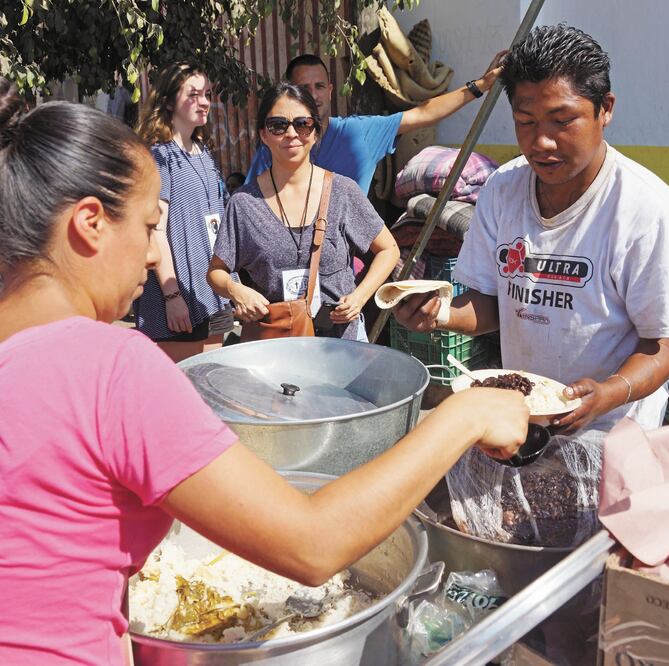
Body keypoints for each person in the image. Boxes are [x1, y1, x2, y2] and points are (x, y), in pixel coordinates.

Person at [0, 81, 529, 665]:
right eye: (151, 227)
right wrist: (467, 413)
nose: (155, 256)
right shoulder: (109, 366)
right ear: (91, 223)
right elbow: (313, 544)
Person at [395, 25, 669, 434]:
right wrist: (437, 312)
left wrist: (608, 393)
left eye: (562, 120)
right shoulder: (502, 189)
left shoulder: (646, 208)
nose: (542, 143)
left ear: (604, 109)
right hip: (526, 416)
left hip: (612, 429)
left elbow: (663, 346)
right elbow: (492, 305)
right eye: (525, 121)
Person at [208, 83, 401, 341]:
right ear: (264, 134)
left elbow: (389, 250)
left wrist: (359, 297)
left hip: (341, 341)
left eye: (302, 124)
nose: (291, 133)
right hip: (276, 344)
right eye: (278, 125)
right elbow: (216, 271)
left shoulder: (342, 192)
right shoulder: (244, 202)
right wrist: (236, 290)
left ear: (315, 133)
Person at [245, 52, 506, 193]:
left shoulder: (359, 133)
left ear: (331, 90)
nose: (313, 95)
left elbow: (424, 113)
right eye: (304, 87)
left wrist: (479, 86)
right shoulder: (277, 145)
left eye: (319, 86)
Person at [134, 62, 233, 363]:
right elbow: (155, 230)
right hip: (179, 296)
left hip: (211, 291)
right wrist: (172, 296)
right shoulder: (159, 156)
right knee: (183, 385)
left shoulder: (203, 151)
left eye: (206, 93)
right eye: (193, 94)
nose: (203, 101)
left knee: (212, 383)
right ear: (167, 101)